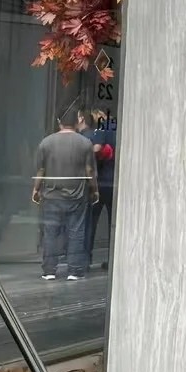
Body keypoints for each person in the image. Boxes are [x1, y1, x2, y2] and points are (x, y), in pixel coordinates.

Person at [32, 113, 99, 281]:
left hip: (52, 195)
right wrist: (94, 190)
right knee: (76, 232)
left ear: (59, 122)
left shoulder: (46, 143)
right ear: (77, 122)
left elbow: (41, 170)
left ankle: (49, 270)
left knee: (51, 233)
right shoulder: (85, 143)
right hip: (77, 195)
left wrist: (36, 189)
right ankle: (74, 270)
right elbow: (89, 170)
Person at [78, 110, 117, 268]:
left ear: (100, 113)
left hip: (101, 182)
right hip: (116, 182)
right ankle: (113, 260)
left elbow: (97, 148)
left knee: (91, 222)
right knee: (113, 224)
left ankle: (85, 259)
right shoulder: (118, 127)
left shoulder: (102, 127)